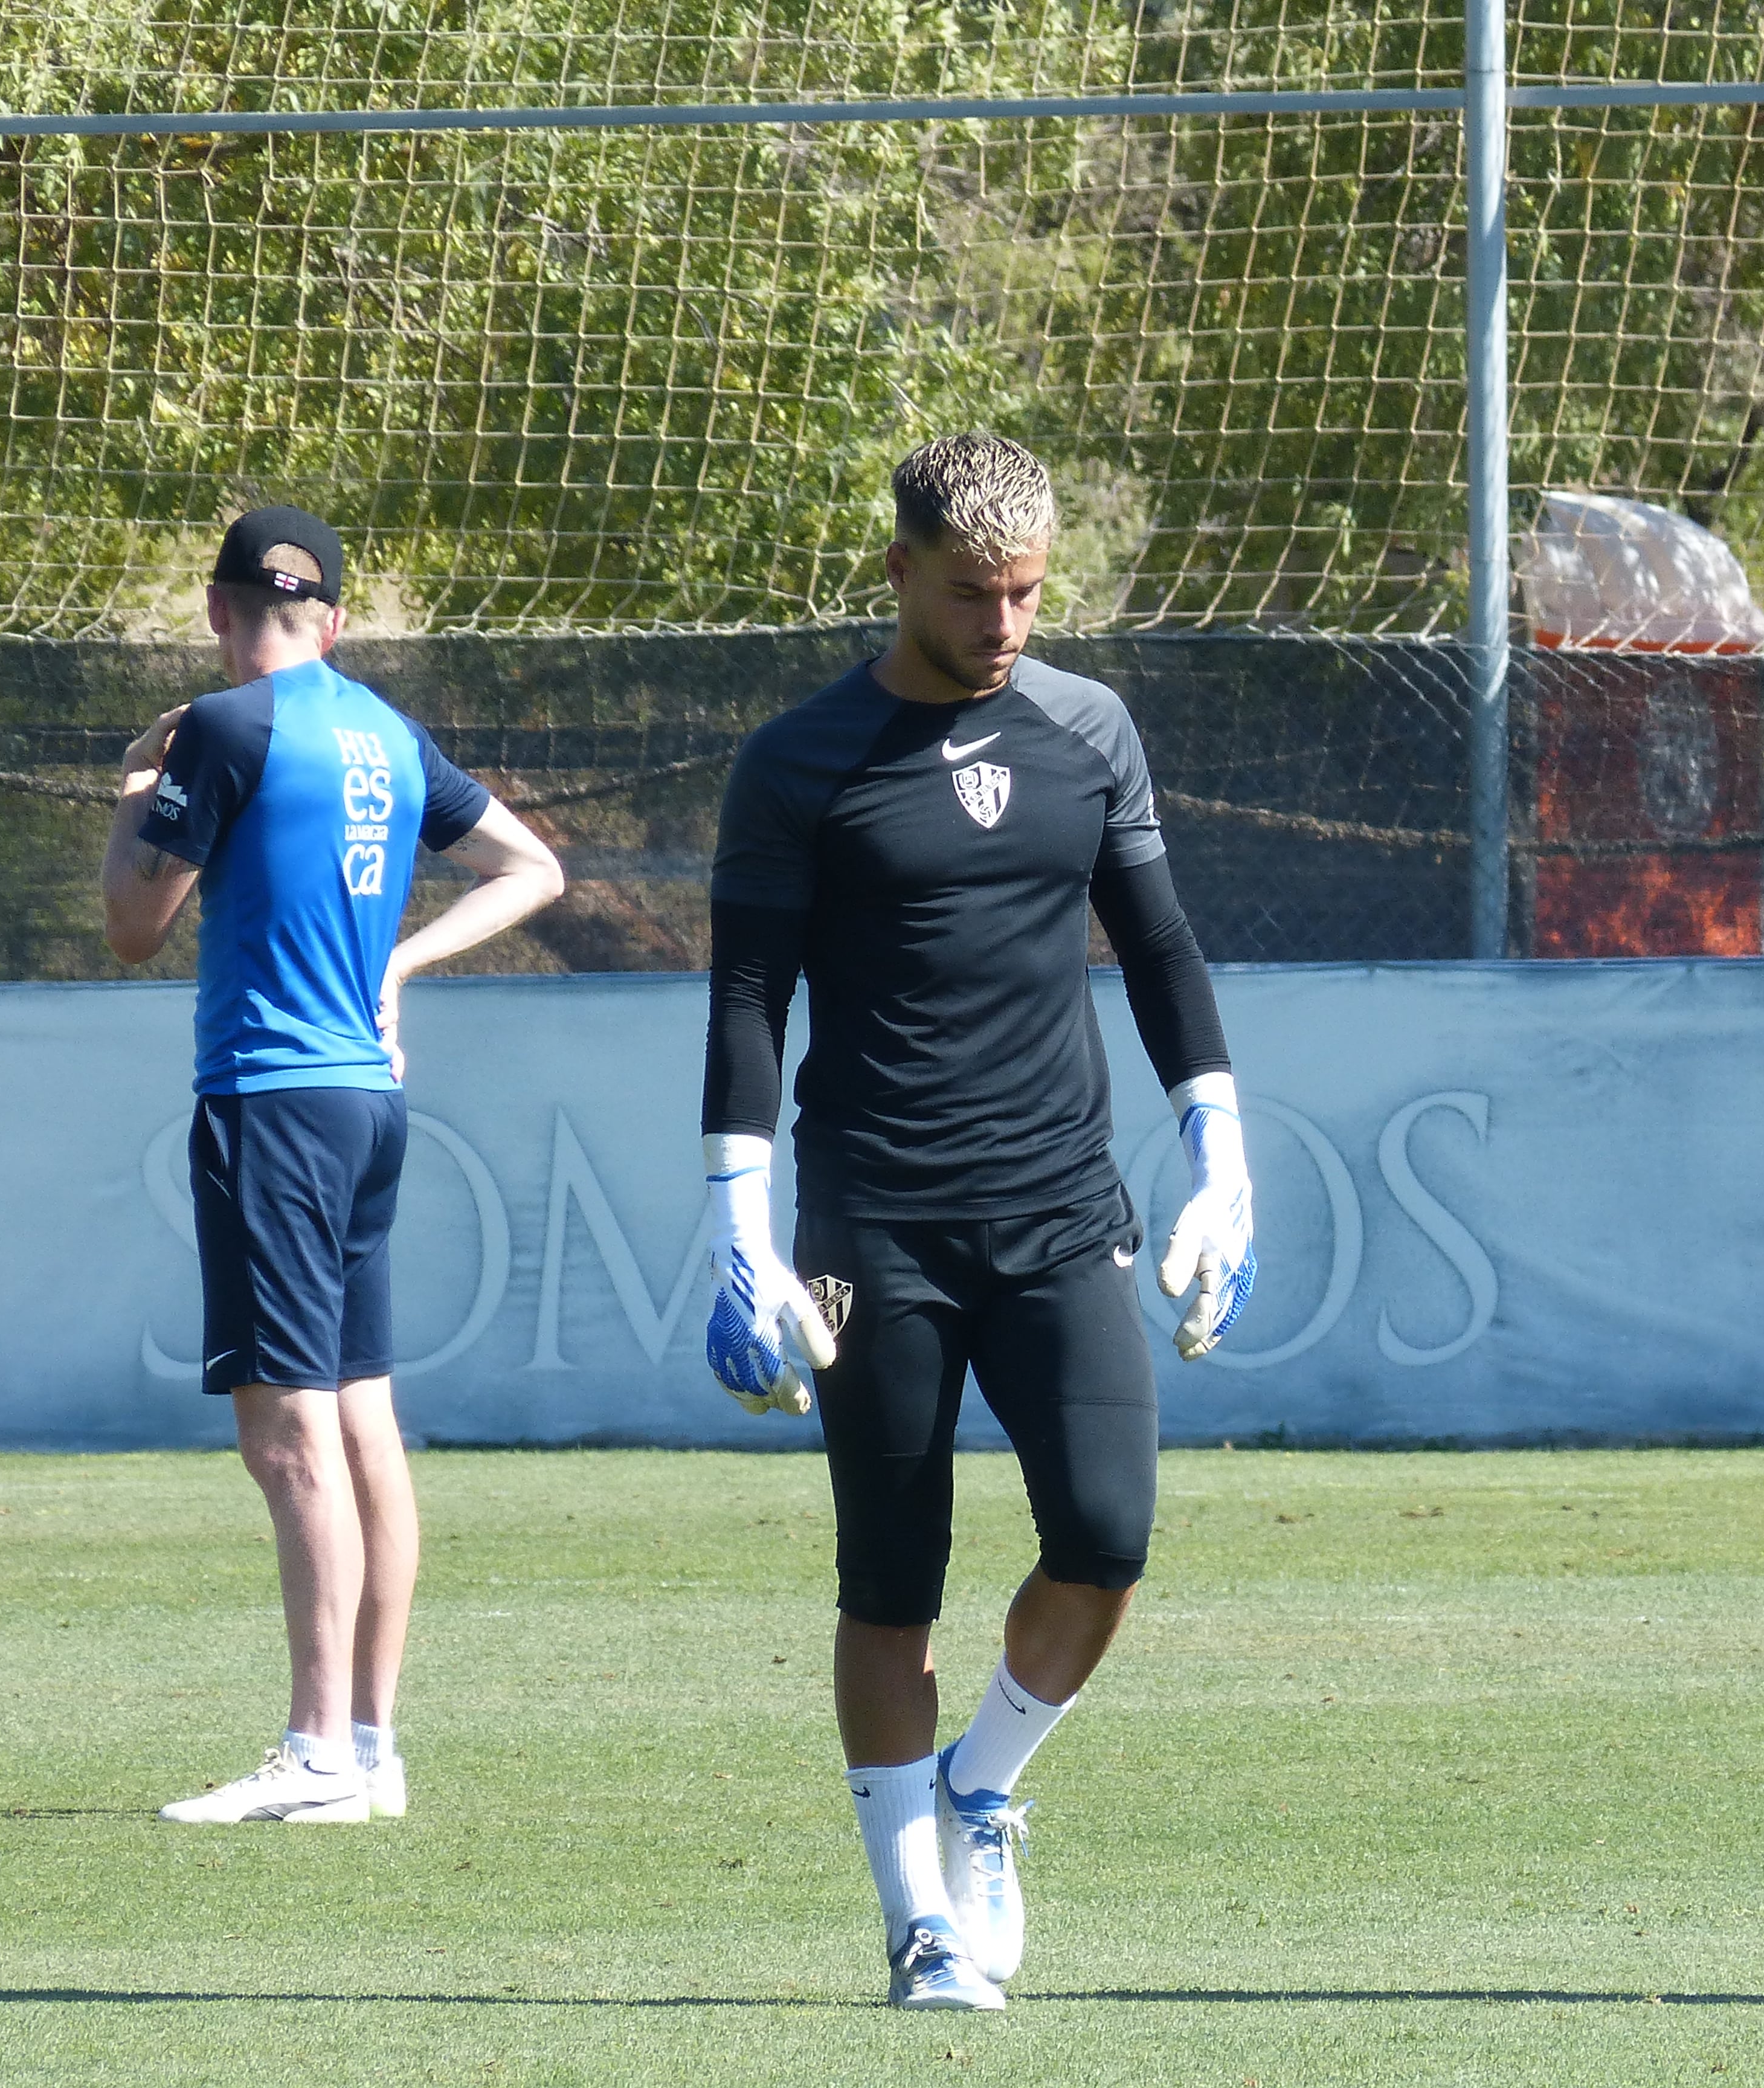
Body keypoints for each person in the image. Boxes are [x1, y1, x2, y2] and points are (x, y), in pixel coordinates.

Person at [699, 434, 1257, 2010]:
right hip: (870, 1229)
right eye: (972, 593)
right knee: (891, 1577)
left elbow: (1158, 950)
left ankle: (983, 1787)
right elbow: (749, 999)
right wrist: (739, 1231)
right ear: (899, 576)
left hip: (1063, 1215)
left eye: (1024, 593)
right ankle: (916, 1920)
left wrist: (1223, 1155)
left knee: (1108, 1533)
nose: (1005, 622)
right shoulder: (800, 761)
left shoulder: (1091, 731)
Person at [101, 506, 563, 1824]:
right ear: (338, 620)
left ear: (215, 606)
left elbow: (135, 924)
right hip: (365, 1110)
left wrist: (134, 788)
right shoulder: (383, 732)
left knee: (288, 1435)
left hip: (271, 1103)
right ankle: (369, 1747)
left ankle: (316, 1754)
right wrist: (399, 965)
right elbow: (534, 868)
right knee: (361, 1424)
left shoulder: (226, 727)